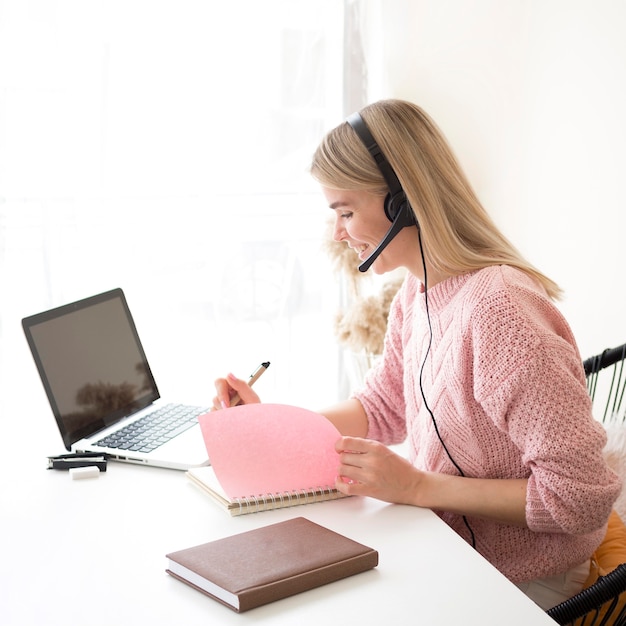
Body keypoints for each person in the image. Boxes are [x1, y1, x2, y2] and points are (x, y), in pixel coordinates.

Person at [213, 99, 621, 610]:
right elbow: (383, 408)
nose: (338, 233)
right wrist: (270, 424)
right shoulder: (418, 292)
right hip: (452, 546)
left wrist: (417, 487)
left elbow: (578, 499)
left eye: (345, 211)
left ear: (403, 199)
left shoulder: (504, 313)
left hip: (527, 578)